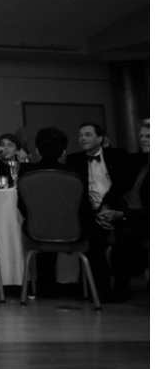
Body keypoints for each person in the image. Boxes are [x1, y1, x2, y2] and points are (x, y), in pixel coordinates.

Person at [65, 122, 131, 301]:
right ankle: (100, 291)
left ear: (100, 138)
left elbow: (122, 186)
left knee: (126, 236)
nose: (83, 138)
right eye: (80, 135)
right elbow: (76, 193)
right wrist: (96, 214)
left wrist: (108, 208)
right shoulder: (74, 159)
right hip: (90, 213)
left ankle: (122, 286)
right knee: (93, 236)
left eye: (87, 134)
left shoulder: (117, 155)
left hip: (116, 209)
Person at [16, 126, 77, 298]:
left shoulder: (26, 173)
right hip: (72, 231)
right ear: (64, 151)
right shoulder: (73, 174)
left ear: (36, 150)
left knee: (42, 224)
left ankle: (42, 286)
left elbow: (22, 207)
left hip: (35, 230)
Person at [100, 119, 149, 301]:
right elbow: (117, 188)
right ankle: (98, 286)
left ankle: (122, 286)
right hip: (128, 214)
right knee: (97, 229)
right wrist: (106, 207)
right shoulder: (135, 160)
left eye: (148, 137)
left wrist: (122, 214)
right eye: (141, 136)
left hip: (144, 216)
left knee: (126, 232)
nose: (143, 140)